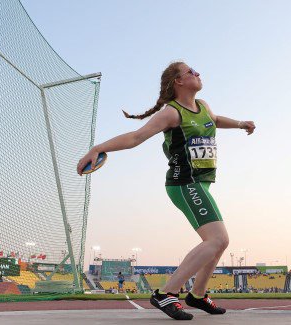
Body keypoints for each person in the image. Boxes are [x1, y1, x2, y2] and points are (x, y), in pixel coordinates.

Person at [78, 62, 255, 320]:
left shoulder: (203, 106)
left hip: (201, 183)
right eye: (190, 72)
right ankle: (166, 293)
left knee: (220, 242)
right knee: (216, 240)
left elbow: (215, 121)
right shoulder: (172, 113)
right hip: (184, 184)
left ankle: (197, 295)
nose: (197, 73)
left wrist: (240, 124)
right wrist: (97, 148)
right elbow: (136, 138)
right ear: (178, 82)